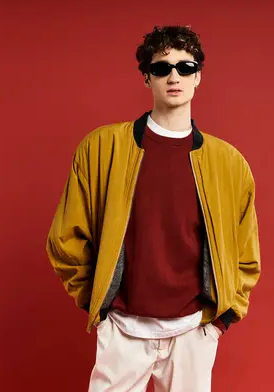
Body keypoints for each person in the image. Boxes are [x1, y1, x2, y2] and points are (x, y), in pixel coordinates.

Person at [46, 25, 261, 392]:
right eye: (161, 68)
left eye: (185, 67)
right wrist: (99, 306)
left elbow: (246, 253)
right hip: (122, 330)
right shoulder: (102, 149)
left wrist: (221, 320)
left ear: (198, 77)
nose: (173, 77)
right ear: (147, 78)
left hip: (194, 331)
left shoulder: (229, 164)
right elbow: (65, 238)